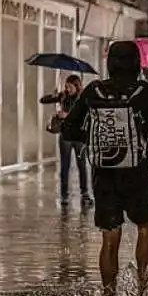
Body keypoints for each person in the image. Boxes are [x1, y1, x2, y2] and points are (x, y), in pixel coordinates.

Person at [62, 41, 148, 296]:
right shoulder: (146, 92)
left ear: (110, 63)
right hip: (138, 172)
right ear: (137, 64)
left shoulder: (93, 91)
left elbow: (69, 129)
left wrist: (93, 135)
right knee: (145, 227)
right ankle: (142, 291)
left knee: (110, 235)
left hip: (104, 174)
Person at [40, 75, 92, 206]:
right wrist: (55, 95)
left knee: (82, 165)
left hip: (79, 136)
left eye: (70, 86)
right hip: (66, 136)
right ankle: (64, 195)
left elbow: (87, 115)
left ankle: (85, 193)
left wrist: (67, 115)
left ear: (77, 85)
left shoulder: (84, 98)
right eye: (66, 86)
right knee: (65, 166)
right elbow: (43, 100)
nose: (68, 89)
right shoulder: (63, 96)